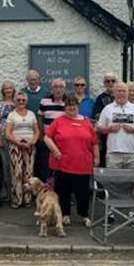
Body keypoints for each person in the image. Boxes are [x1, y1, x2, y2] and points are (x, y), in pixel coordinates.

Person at [45, 95, 99, 227]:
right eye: (68, 106)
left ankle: (84, 215)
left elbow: (95, 142)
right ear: (65, 108)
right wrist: (55, 151)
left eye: (73, 106)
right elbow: (47, 137)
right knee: (63, 192)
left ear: (77, 107)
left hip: (83, 164)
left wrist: (97, 158)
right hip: (63, 164)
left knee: (83, 192)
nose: (71, 108)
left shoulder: (87, 122)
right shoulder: (58, 121)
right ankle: (65, 215)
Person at [97, 81, 134, 169]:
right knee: (113, 182)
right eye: (118, 91)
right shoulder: (107, 109)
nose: (121, 93)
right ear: (114, 93)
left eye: (124, 91)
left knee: (132, 181)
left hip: (132, 153)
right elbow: (99, 127)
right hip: (113, 153)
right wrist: (109, 129)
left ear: (127, 93)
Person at [5, 91, 39, 208]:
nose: (21, 102)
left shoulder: (31, 114)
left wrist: (33, 141)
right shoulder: (12, 115)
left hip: (30, 145)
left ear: (26, 101)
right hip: (15, 145)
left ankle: (27, 199)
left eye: (23, 100)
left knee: (28, 172)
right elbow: (8, 133)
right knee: (17, 172)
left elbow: (36, 131)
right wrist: (18, 142)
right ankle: (17, 199)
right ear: (15, 101)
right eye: (18, 100)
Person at [36, 78, 67, 180]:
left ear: (64, 89)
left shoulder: (69, 101)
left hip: (63, 141)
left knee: (62, 168)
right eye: (56, 87)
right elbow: (40, 117)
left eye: (61, 87)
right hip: (47, 139)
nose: (58, 90)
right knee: (46, 167)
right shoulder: (44, 101)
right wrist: (41, 134)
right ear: (52, 89)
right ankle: (46, 192)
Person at [0, 80, 16, 202]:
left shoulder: (17, 102)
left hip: (15, 137)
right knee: (5, 164)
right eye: (6, 88)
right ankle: (4, 190)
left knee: (15, 165)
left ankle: (14, 191)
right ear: (3, 91)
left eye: (10, 88)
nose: (8, 90)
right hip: (3, 136)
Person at [93, 73, 117, 167]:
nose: (110, 83)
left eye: (112, 81)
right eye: (108, 81)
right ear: (104, 83)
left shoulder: (120, 96)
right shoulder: (100, 98)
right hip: (104, 136)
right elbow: (96, 116)